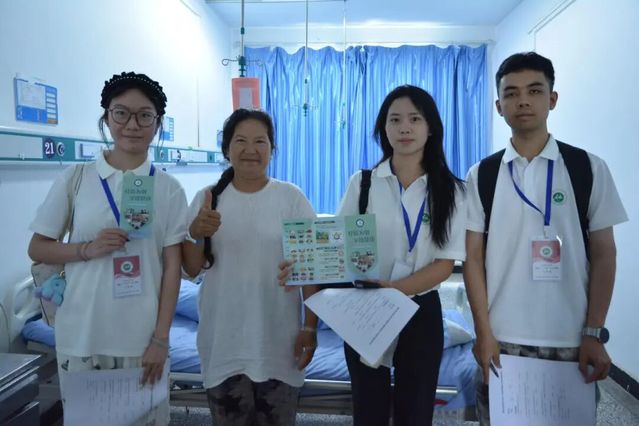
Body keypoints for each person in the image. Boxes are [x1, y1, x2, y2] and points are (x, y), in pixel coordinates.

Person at [464, 52, 628, 425]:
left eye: (534, 91)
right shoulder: (482, 175)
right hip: (502, 341)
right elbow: (472, 258)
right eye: (511, 93)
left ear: (552, 99)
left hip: (571, 339)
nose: (523, 101)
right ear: (498, 106)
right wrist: (483, 333)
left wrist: (594, 332)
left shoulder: (588, 168)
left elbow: (605, 254)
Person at [28, 72, 187, 425]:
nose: (132, 124)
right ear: (107, 117)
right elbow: (38, 248)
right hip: (82, 335)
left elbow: (172, 269)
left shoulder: (168, 188)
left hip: (142, 339)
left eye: (144, 115)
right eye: (121, 113)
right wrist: (87, 249)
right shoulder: (76, 178)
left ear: (158, 123)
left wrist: (161, 339)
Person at [336, 85, 466, 425]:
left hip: (421, 310)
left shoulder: (451, 190)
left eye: (414, 119)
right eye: (394, 120)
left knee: (416, 410)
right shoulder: (363, 183)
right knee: (368, 408)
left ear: (430, 127)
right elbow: (338, 245)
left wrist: (395, 290)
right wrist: (304, 266)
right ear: (384, 128)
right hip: (366, 306)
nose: (404, 128)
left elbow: (444, 265)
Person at [182, 108, 319, 426]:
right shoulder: (207, 199)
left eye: (260, 141)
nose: (250, 149)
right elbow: (191, 269)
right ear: (226, 148)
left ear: (272, 148)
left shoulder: (291, 198)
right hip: (223, 341)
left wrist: (310, 328)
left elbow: (312, 267)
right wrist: (196, 232)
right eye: (241, 140)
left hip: (278, 341)